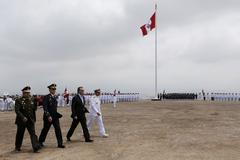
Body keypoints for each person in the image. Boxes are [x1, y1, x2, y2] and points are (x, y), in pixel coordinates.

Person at [14, 86, 40, 152]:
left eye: (29, 93)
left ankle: (35, 147)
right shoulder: (18, 100)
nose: (28, 94)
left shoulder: (32, 99)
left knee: (33, 134)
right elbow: (17, 110)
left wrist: (36, 103)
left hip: (30, 120)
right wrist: (22, 117)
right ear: (23, 93)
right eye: (26, 93)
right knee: (20, 134)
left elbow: (34, 109)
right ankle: (17, 147)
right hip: (21, 121)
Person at [39, 83, 65, 148]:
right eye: (52, 89)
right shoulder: (46, 97)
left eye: (55, 89)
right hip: (48, 117)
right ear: (49, 90)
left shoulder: (55, 97)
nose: (54, 90)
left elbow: (54, 108)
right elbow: (45, 107)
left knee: (58, 129)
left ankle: (60, 143)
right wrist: (48, 116)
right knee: (45, 129)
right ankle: (40, 142)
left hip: (55, 117)